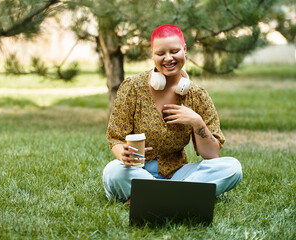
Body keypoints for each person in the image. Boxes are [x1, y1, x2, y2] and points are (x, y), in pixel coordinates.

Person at [102, 24, 242, 202]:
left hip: (178, 175)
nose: (168, 58)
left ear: (184, 50)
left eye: (174, 51)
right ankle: (181, 196)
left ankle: (150, 196)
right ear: (152, 55)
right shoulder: (132, 87)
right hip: (138, 172)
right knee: (113, 171)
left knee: (232, 167)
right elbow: (115, 137)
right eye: (160, 54)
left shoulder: (197, 95)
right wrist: (123, 153)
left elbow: (212, 155)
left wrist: (197, 122)